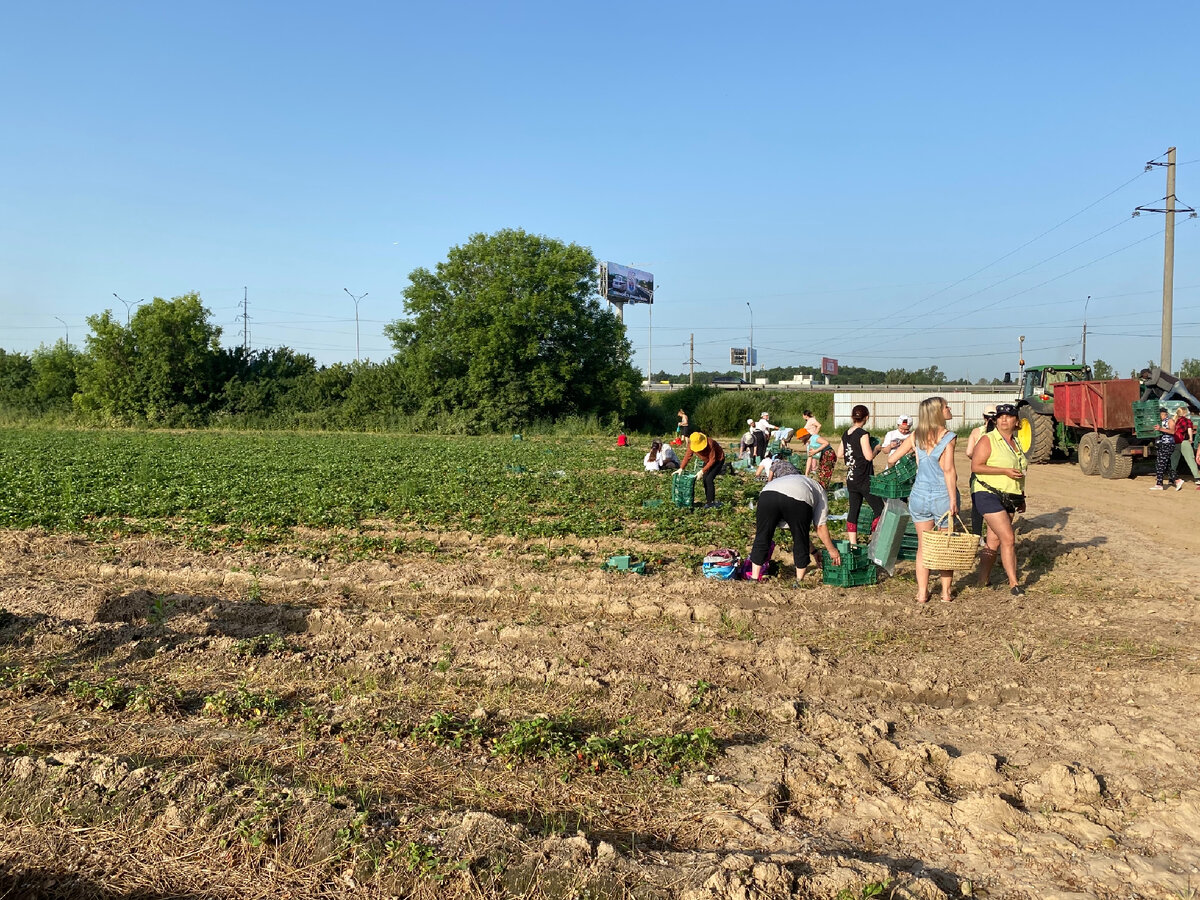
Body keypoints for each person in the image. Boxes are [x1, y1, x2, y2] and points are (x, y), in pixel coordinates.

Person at [888, 397, 959, 604]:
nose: (949, 408)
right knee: (945, 546)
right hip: (941, 495)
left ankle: (922, 593)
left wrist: (913, 463)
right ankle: (945, 593)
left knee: (923, 546)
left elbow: (892, 459)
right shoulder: (948, 437)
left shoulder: (915, 436)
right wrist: (953, 499)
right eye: (946, 406)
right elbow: (948, 470)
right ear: (938, 412)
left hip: (918, 494)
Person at [971, 402, 1027, 596]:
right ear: (995, 420)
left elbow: (1020, 472)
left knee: (993, 542)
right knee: (1008, 537)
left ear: (1016, 422)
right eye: (1000, 416)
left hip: (1010, 496)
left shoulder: (1017, 443)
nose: (1004, 419)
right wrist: (1003, 470)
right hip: (987, 493)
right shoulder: (988, 440)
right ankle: (1014, 584)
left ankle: (982, 579)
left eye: (1009, 416)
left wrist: (1021, 497)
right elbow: (976, 466)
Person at [747, 472, 841, 582]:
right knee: (800, 540)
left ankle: (754, 578)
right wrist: (832, 550)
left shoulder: (800, 480)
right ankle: (799, 581)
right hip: (798, 497)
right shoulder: (821, 493)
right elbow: (819, 527)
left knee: (762, 535)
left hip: (767, 495)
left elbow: (801, 530)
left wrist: (814, 552)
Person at [841, 405, 883, 545]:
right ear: (866, 417)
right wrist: (876, 448)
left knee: (854, 510)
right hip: (863, 477)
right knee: (880, 509)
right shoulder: (863, 434)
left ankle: (853, 544)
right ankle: (874, 539)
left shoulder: (846, 433)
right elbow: (869, 456)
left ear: (853, 417)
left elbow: (840, 453)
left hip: (851, 478)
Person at [966, 407, 998, 538]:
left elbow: (968, 452)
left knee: (977, 507)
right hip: (996, 474)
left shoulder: (976, 432)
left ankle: (977, 535)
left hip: (978, 475)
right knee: (996, 506)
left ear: (983, 416)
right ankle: (994, 535)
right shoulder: (1000, 433)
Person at [679, 431, 726, 508]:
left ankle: (711, 503)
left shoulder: (710, 443)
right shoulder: (692, 444)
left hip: (718, 460)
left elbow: (713, 460)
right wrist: (681, 468)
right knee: (705, 479)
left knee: (709, 479)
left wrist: (702, 471)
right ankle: (708, 501)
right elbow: (688, 456)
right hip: (707, 461)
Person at [1150, 407, 1182, 491]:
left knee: (1160, 464)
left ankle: (1159, 484)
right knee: (1166, 465)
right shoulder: (1159, 422)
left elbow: (1172, 431)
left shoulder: (1170, 421)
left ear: (1165, 414)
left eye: (1161, 414)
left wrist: (1160, 429)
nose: (1159, 416)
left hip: (1167, 444)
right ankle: (1177, 480)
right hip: (1161, 444)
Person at [1169, 407, 1200, 487]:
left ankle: (1171, 478)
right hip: (1184, 442)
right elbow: (1189, 430)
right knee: (1190, 460)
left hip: (1175, 442)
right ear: (1184, 413)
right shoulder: (1186, 420)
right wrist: (1190, 439)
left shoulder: (1173, 420)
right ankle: (1197, 478)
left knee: (1174, 461)